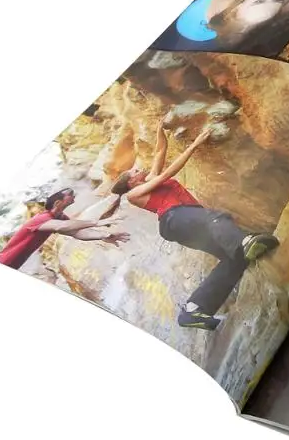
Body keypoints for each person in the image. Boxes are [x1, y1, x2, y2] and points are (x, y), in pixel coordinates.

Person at [111, 122, 279, 331]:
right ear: (132, 182)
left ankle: (194, 309)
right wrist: (195, 144)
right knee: (215, 218)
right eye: (135, 171)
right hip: (175, 218)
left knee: (233, 260)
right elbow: (166, 175)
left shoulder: (149, 180)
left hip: (186, 226)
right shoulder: (133, 194)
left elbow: (160, 151)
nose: (140, 168)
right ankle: (245, 242)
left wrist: (159, 130)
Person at [0, 189, 129, 270]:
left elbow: (78, 233)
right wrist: (97, 223)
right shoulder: (41, 218)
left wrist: (104, 236)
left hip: (13, 266)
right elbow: (61, 226)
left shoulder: (60, 217)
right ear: (58, 202)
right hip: (2, 263)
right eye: (70, 194)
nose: (74, 195)